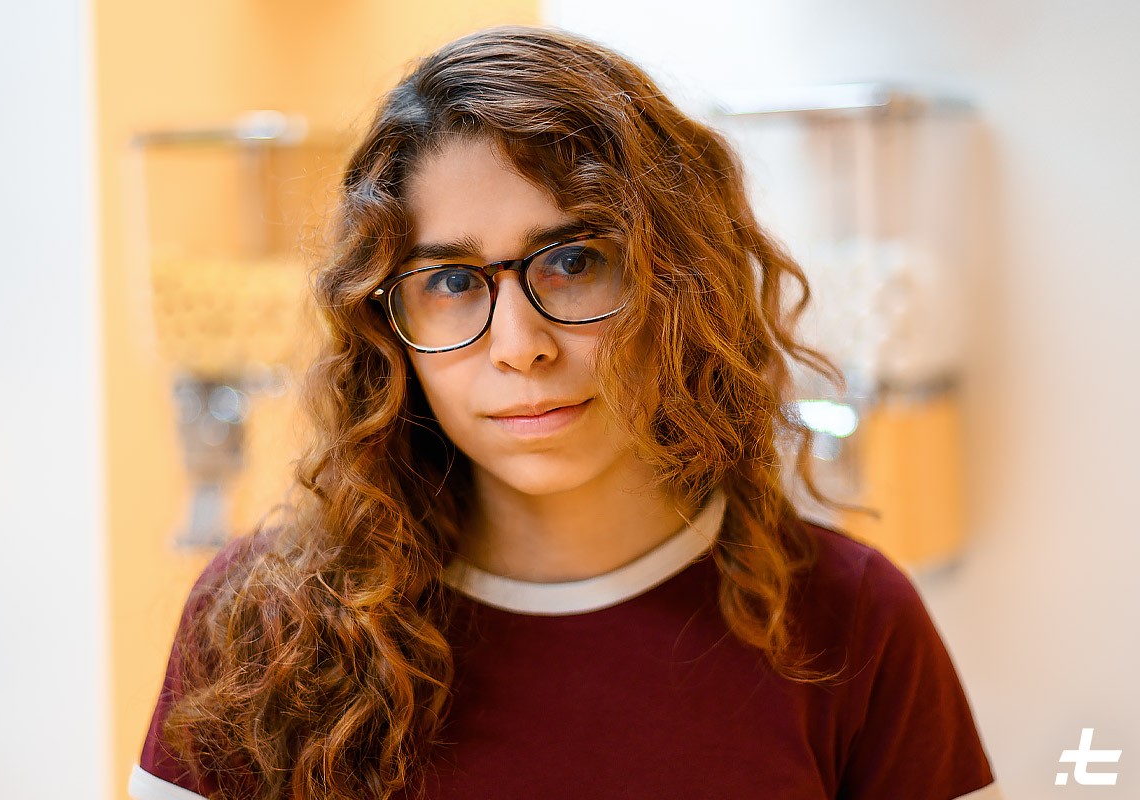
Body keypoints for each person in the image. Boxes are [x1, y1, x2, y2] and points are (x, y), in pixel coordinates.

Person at [129, 25, 1000, 800]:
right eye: (453, 282)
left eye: (575, 262)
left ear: (677, 285)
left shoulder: (851, 622)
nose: (519, 344)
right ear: (386, 326)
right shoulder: (261, 627)